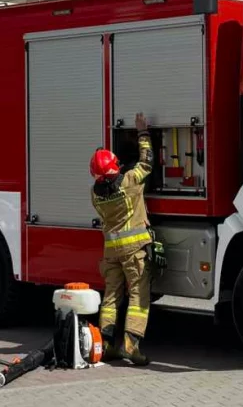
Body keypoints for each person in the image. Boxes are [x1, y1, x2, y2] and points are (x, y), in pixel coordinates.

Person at [88, 112, 154, 366]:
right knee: (138, 295)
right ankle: (131, 345)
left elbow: (106, 179)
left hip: (112, 251)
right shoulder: (128, 182)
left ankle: (104, 345)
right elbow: (146, 163)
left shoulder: (95, 194)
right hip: (135, 250)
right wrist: (143, 133)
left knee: (112, 296)